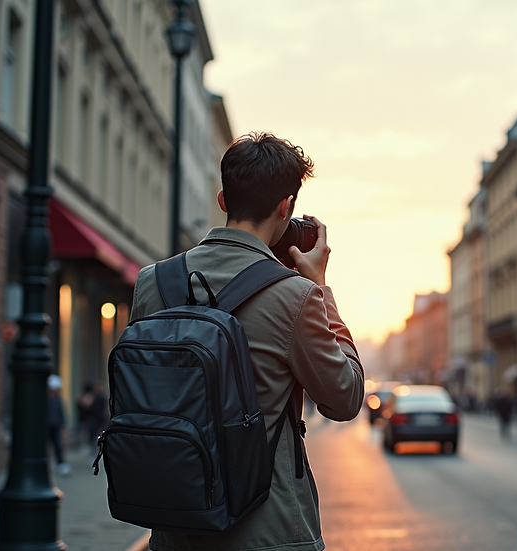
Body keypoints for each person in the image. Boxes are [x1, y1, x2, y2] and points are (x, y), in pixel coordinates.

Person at [130, 132, 364, 551]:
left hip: (173, 529)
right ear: (285, 206)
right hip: (268, 533)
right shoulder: (295, 295)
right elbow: (344, 399)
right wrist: (321, 287)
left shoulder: (153, 282)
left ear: (223, 200)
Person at [47, 374, 70, 475]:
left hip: (55, 427)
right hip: (45, 427)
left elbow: (61, 412)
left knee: (58, 446)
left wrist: (63, 426)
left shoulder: (58, 399)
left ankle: (61, 464)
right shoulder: (44, 399)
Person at [76, 381, 107, 457]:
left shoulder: (98, 398)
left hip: (95, 420)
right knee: (92, 436)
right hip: (92, 420)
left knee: (93, 436)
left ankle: (93, 451)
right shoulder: (94, 397)